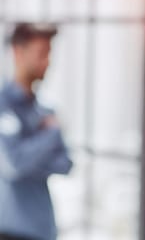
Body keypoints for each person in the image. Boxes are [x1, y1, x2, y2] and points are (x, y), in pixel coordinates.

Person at [0, 23, 73, 240]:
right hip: (11, 230)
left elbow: (65, 163)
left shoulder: (45, 109)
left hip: (42, 229)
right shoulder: (4, 106)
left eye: (49, 54)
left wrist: (28, 155)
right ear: (18, 52)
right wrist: (50, 135)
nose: (48, 62)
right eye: (42, 53)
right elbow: (13, 165)